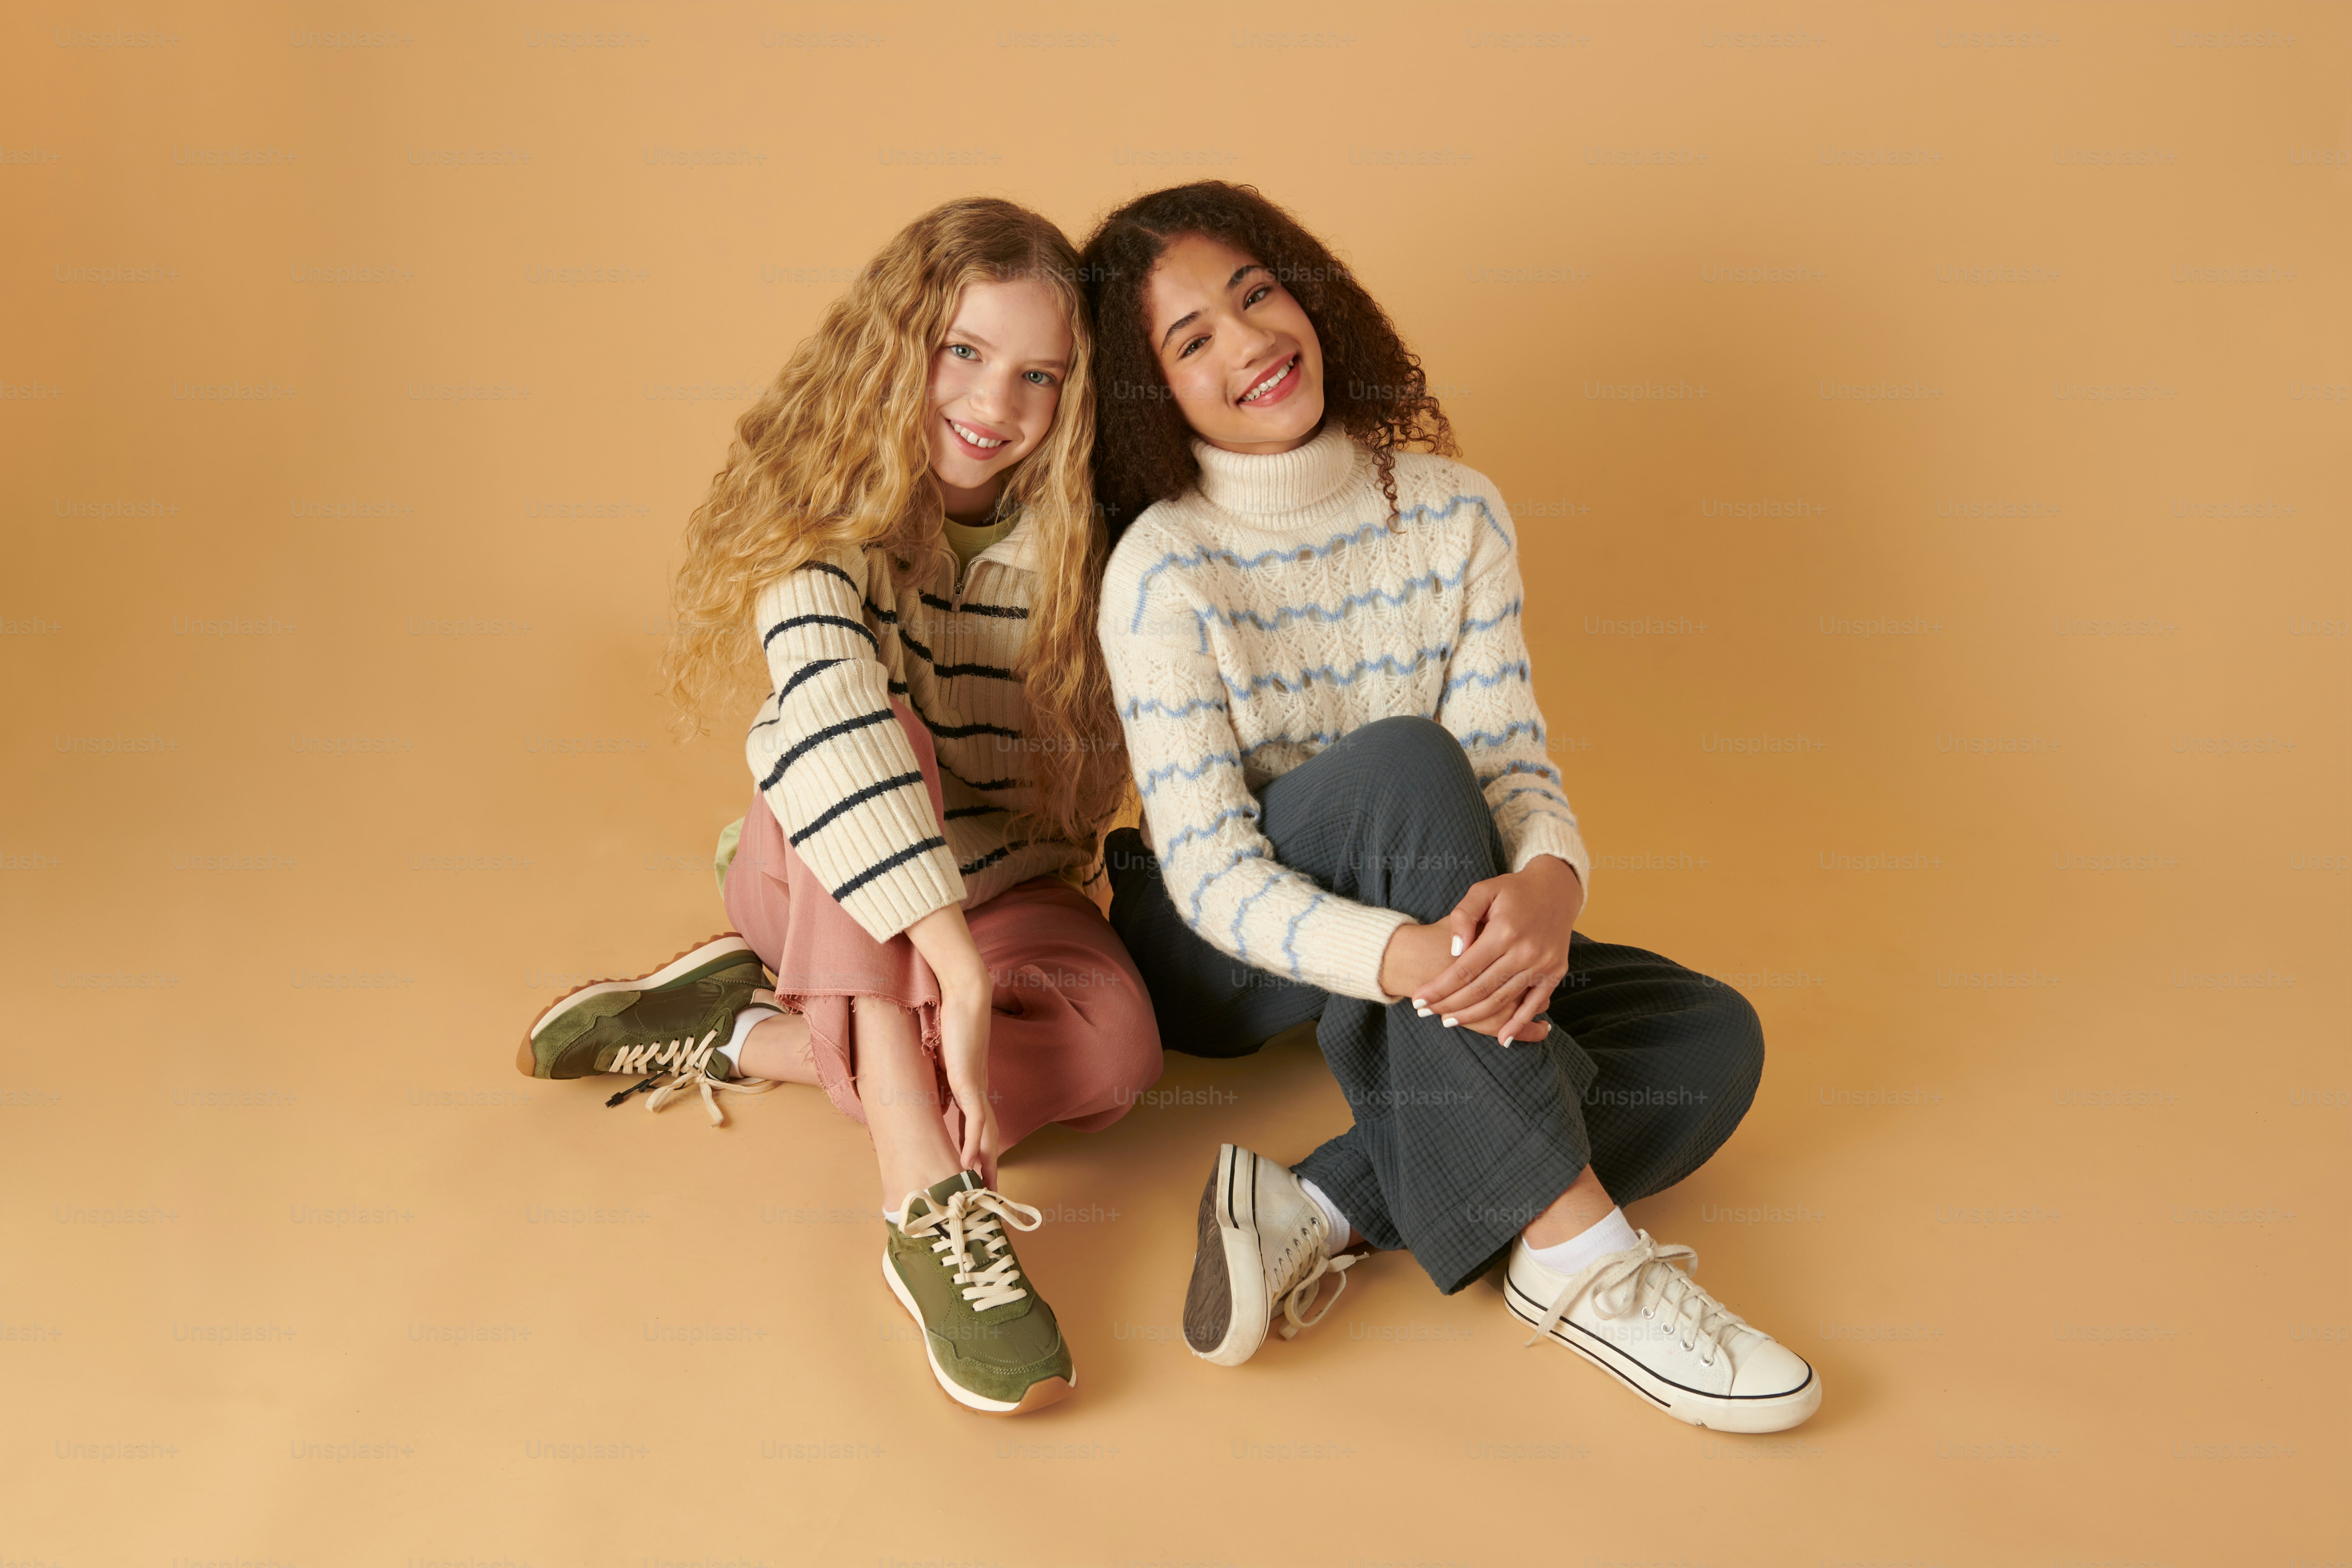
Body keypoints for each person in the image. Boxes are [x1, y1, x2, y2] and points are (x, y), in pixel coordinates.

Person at [1081, 181, 1818, 1432]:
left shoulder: (1453, 513)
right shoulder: (1164, 568)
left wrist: (1547, 887)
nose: (1250, 342)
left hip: (1431, 910)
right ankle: (1583, 1262)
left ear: (1309, 292)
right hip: (1216, 953)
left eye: (1256, 293)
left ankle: (1318, 1204)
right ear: (1154, 394)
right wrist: (1411, 955)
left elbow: (1511, 763)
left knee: (1710, 1038)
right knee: (1408, 767)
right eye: (1191, 339)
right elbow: (1211, 876)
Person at [514, 198, 1161, 1417]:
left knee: (1117, 1055)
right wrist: (958, 980)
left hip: (1005, 883)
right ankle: (925, 1204)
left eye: (1039, 376)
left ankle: (742, 1033)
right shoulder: (826, 507)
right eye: (963, 354)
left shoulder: (1089, 532)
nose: (994, 406)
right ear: (899, 346)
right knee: (865, 739)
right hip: (814, 861)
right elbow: (836, 724)